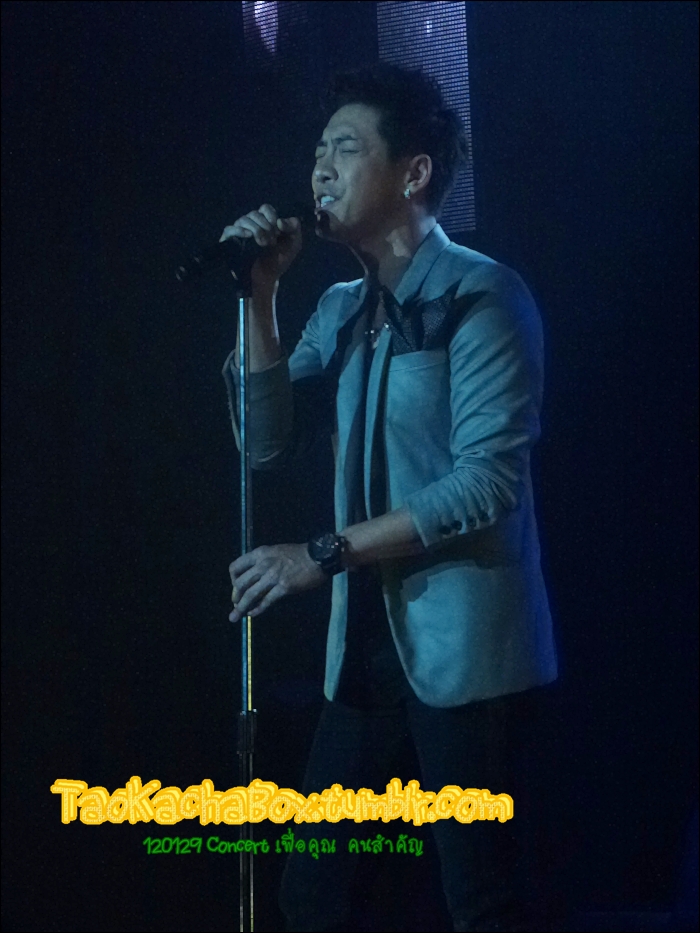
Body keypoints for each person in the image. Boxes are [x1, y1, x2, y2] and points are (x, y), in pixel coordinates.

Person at [222, 63, 558, 933]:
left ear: (413, 173)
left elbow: (488, 482)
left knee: (482, 901)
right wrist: (260, 298)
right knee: (314, 895)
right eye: (317, 151)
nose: (320, 170)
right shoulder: (341, 308)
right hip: (363, 655)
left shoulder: (484, 294)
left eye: (345, 148)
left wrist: (324, 553)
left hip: (468, 654)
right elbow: (263, 443)